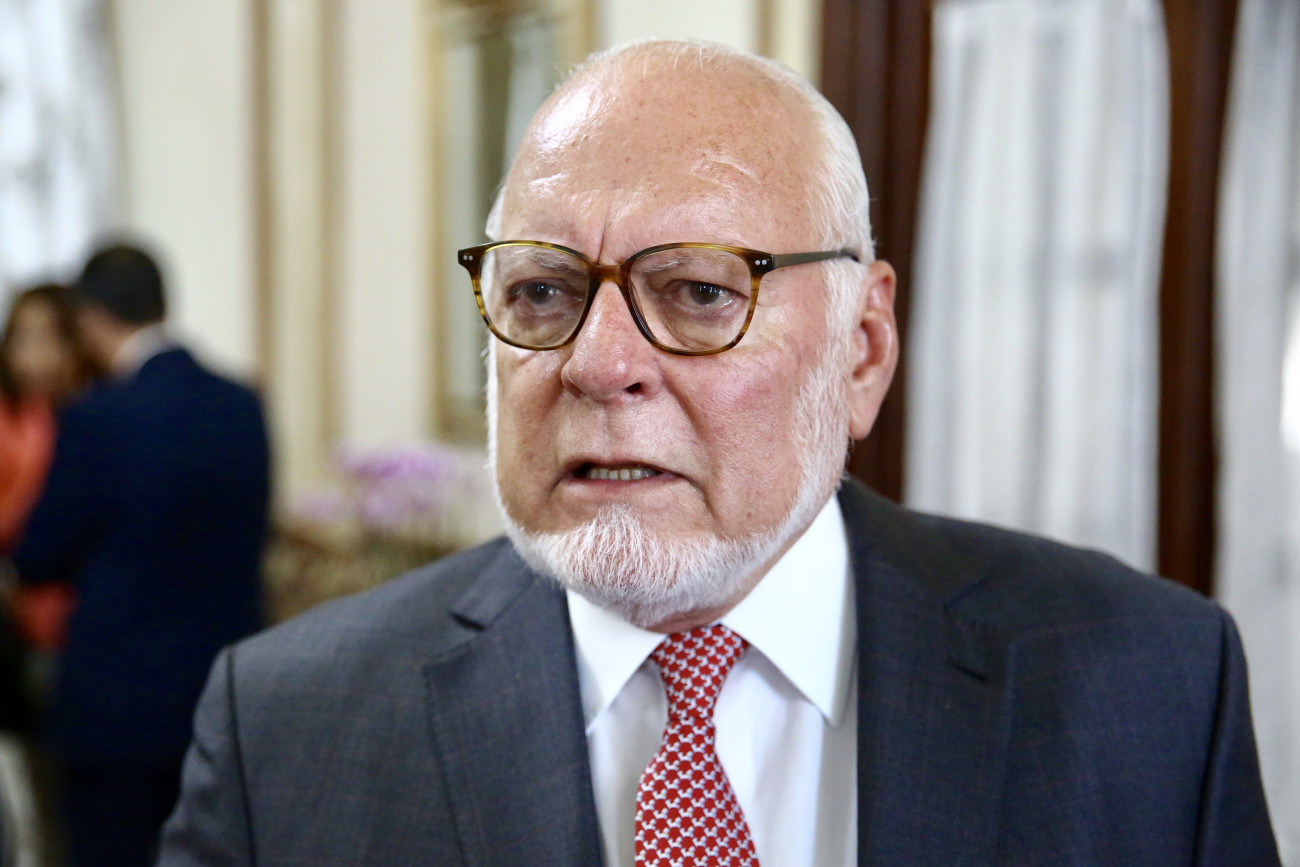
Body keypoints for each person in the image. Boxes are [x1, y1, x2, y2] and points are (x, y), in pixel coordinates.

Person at [158, 40, 1280, 865]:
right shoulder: (286, 730)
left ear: (861, 349)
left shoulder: (1150, 689)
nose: (600, 363)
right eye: (541, 291)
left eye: (698, 291)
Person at [12, 244, 271, 867]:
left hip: (116, 709)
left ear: (92, 317)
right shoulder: (240, 404)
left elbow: (38, 553)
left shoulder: (98, 418)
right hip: (224, 695)